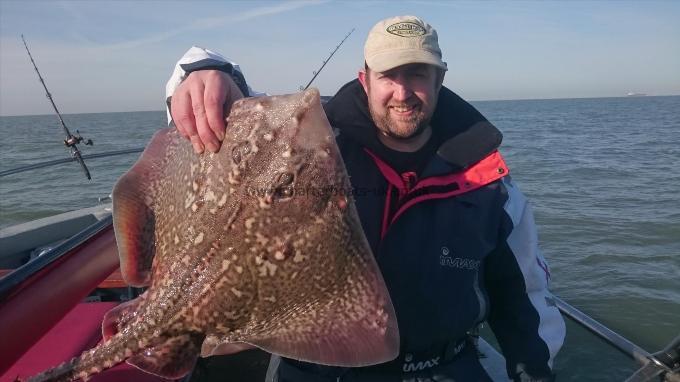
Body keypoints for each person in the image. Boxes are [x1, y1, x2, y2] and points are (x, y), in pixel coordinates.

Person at [165, 15, 565, 382]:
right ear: (365, 79)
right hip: (317, 367)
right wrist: (207, 73)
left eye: (418, 74)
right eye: (388, 75)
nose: (402, 92)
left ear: (440, 80)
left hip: (442, 367)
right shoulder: (313, 140)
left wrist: (534, 373)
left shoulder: (486, 179)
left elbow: (523, 295)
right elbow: (231, 113)